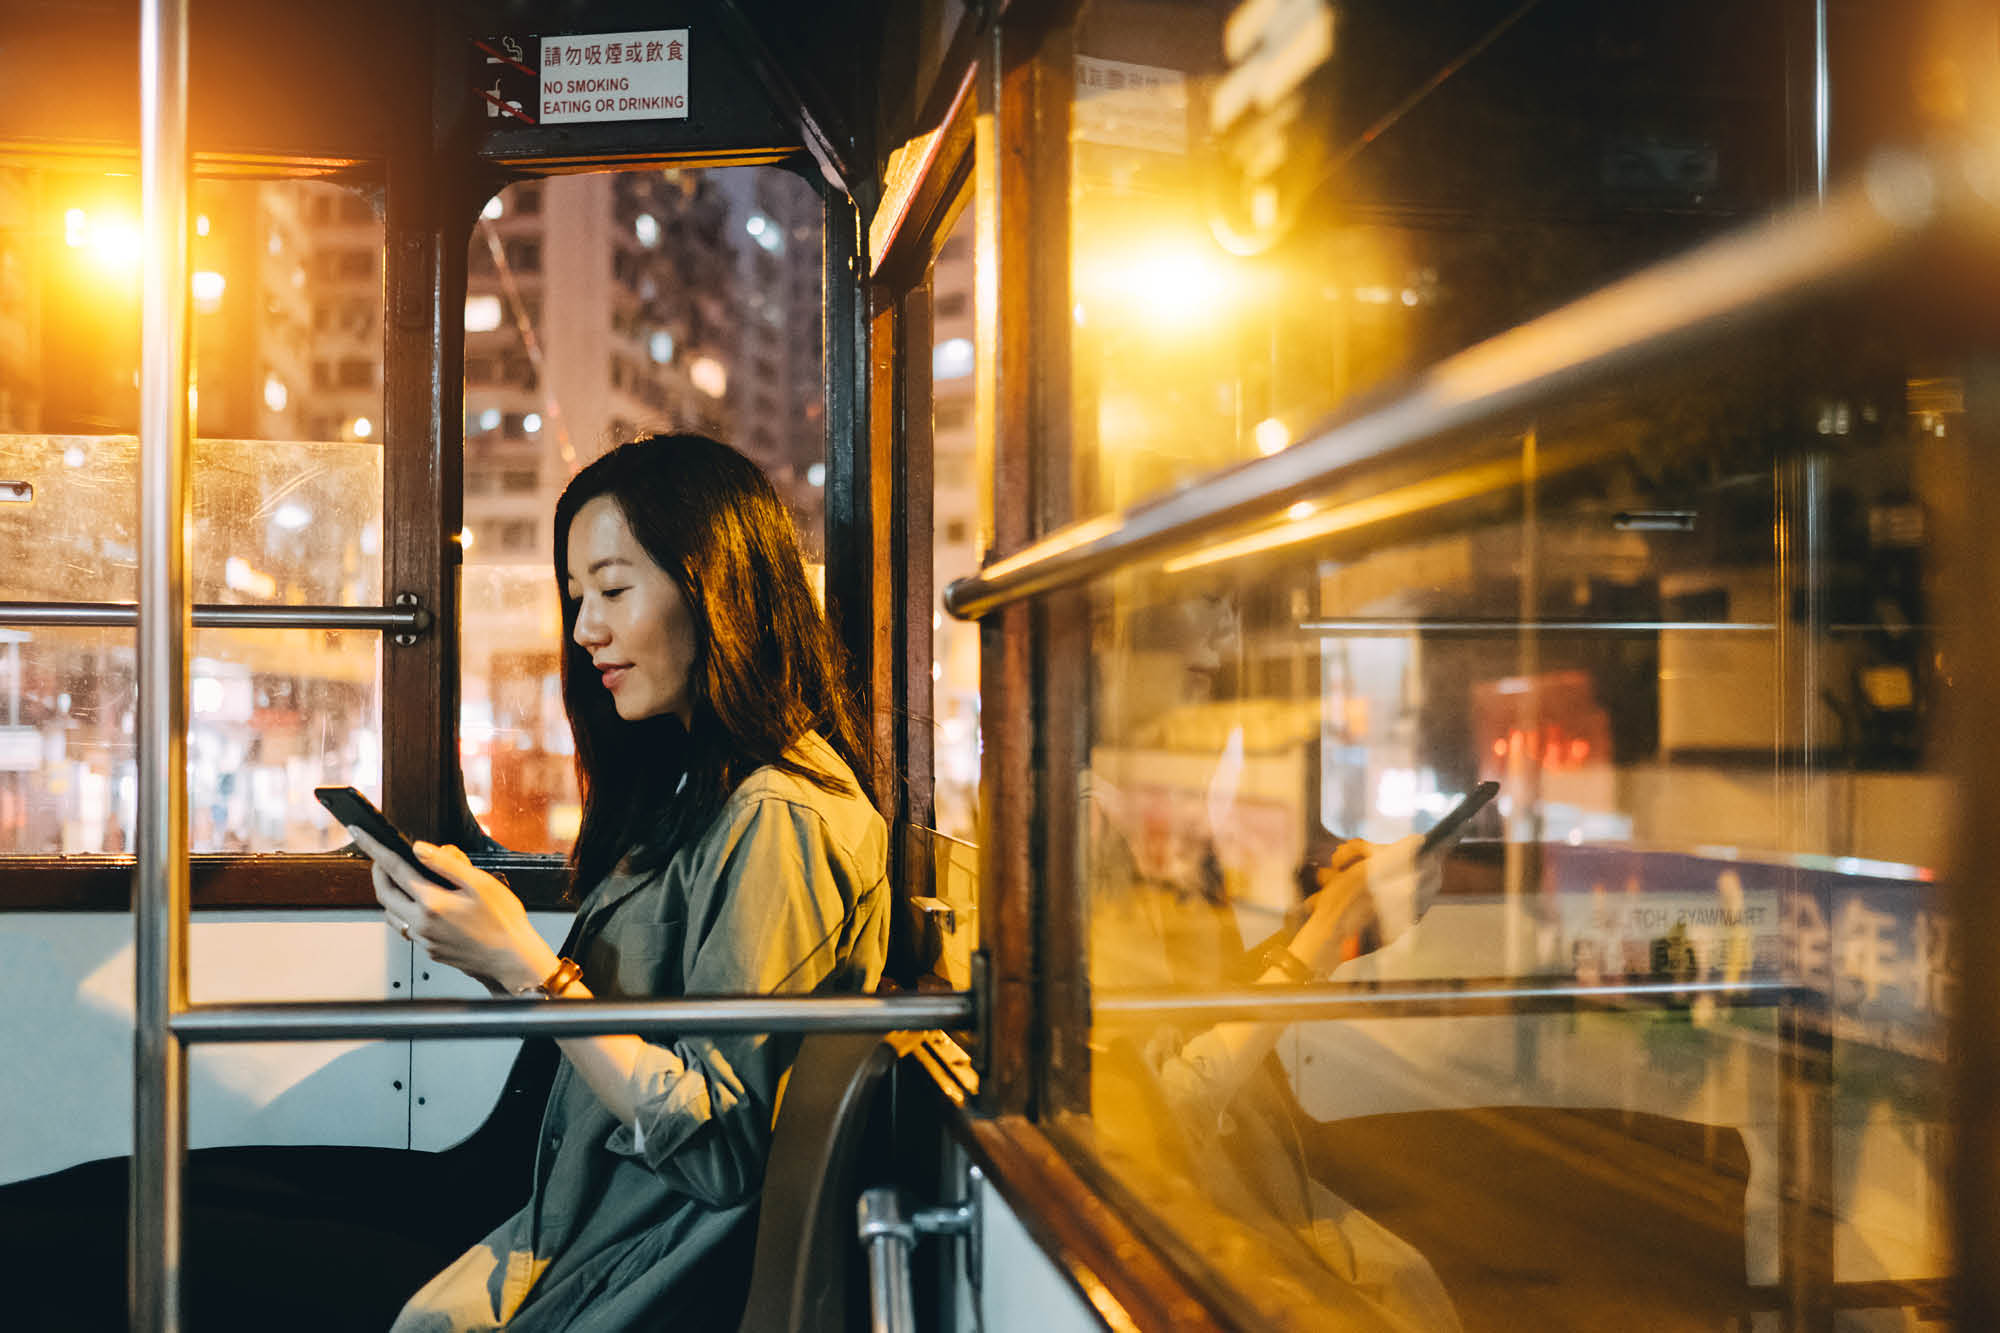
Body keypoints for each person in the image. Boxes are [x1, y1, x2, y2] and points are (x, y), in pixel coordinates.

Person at [350, 434, 891, 1332]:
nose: (583, 630)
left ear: (715, 588)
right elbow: (632, 1022)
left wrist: (530, 968)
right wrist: (490, 951)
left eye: (611, 590)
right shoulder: (695, 785)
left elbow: (719, 1147)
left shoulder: (780, 817)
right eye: (577, 597)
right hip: (562, 1206)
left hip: (625, 1259)